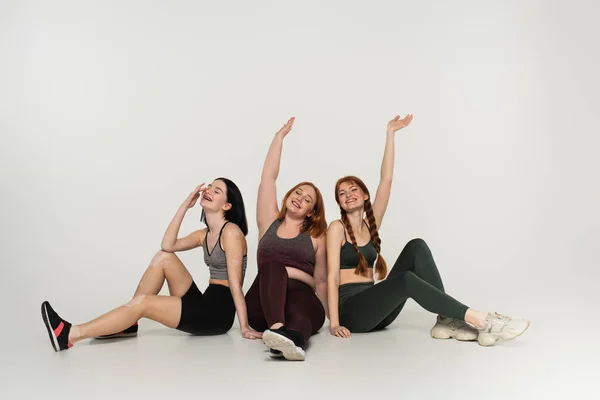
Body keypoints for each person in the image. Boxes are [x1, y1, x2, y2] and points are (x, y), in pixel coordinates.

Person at [326, 114, 530, 346]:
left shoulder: (371, 225)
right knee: (405, 280)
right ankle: (483, 320)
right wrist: (334, 322)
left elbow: (386, 180)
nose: (348, 195)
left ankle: (447, 320)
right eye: (342, 193)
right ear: (339, 202)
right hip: (352, 313)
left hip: (377, 312)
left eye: (353, 190)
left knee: (417, 246)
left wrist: (390, 134)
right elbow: (331, 276)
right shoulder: (336, 228)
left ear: (364, 196)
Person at [41, 178, 262, 352]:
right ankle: (128, 323)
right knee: (163, 257)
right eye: (210, 187)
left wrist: (243, 327)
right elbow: (168, 244)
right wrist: (185, 206)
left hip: (217, 314)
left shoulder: (231, 232)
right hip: (205, 301)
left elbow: (235, 283)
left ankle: (70, 334)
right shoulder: (204, 234)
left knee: (144, 303)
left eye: (217, 190)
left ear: (227, 205)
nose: (209, 191)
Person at [245, 117, 328, 361]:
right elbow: (268, 179)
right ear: (289, 195)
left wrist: (327, 315)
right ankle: (278, 329)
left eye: (307, 199)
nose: (300, 198)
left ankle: (289, 341)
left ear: (311, 211)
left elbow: (321, 280)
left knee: (301, 314)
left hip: (301, 298)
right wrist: (279, 137)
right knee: (272, 268)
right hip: (263, 302)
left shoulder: (316, 235)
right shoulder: (269, 221)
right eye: (297, 192)